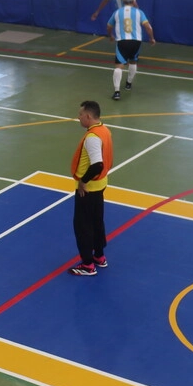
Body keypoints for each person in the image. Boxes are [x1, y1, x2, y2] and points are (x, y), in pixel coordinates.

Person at [68, 101, 113, 276]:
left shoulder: (92, 137)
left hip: (88, 190)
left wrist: (83, 182)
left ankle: (87, 265)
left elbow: (97, 165)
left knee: (83, 226)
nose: (78, 117)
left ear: (88, 116)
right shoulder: (104, 130)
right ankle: (99, 256)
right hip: (100, 186)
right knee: (96, 222)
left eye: (80, 114)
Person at [106, 0, 156, 101]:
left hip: (122, 42)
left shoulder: (117, 12)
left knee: (119, 66)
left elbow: (109, 26)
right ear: (133, 1)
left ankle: (117, 92)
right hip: (136, 42)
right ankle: (128, 84)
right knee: (133, 61)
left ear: (123, 2)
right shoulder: (139, 12)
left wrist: (111, 35)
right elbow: (148, 27)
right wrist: (151, 38)